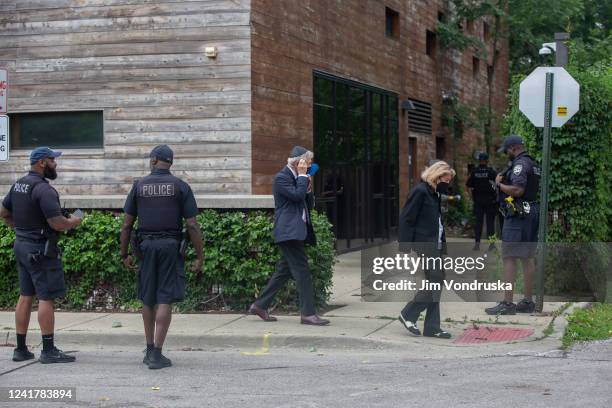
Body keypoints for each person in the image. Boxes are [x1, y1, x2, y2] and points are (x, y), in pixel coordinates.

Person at [120, 145, 204, 369]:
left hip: (145, 247)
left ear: (154, 160)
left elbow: (127, 225)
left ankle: (148, 349)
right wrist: (200, 256)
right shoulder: (180, 186)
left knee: (148, 298)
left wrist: (124, 253)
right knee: (164, 297)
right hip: (170, 246)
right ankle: (157, 353)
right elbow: (192, 226)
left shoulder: (138, 186)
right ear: (170, 162)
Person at [0, 147, 82, 363]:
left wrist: (23, 228)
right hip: (40, 249)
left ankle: (20, 349)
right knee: (46, 297)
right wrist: (74, 221)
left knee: (26, 295)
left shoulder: (19, 184)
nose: (56, 164)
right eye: (53, 160)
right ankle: (48, 350)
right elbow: (56, 222)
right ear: (42, 163)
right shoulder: (44, 190)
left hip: (22, 245)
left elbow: (4, 213)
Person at [249, 146, 330, 326]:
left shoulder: (298, 178)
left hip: (296, 231)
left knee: (283, 271)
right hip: (288, 232)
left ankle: (259, 305)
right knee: (303, 273)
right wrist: (302, 178)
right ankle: (308, 314)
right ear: (297, 162)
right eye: (307, 162)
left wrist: (307, 186)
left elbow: (306, 204)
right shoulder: (282, 178)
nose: (310, 165)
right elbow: (295, 196)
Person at [398, 161, 456, 339]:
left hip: (435, 244)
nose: (448, 184)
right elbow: (407, 218)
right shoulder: (421, 191)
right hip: (425, 243)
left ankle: (432, 327)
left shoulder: (434, 193)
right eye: (447, 180)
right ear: (437, 177)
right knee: (436, 280)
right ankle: (408, 313)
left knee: (436, 282)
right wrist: (405, 246)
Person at [485, 135, 540, 315]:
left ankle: (507, 304)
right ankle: (527, 302)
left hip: (518, 216)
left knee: (509, 257)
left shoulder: (519, 165)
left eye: (507, 150)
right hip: (531, 213)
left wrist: (499, 184)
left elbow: (517, 190)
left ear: (514, 148)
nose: (507, 153)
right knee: (527, 257)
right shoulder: (532, 163)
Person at [466, 152, 498, 251]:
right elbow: (498, 184)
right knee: (490, 224)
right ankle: (492, 245)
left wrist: (472, 198)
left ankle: (477, 245)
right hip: (490, 201)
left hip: (478, 201)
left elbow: (468, 186)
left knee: (478, 223)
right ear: (487, 160)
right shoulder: (491, 172)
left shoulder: (474, 172)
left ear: (479, 160)